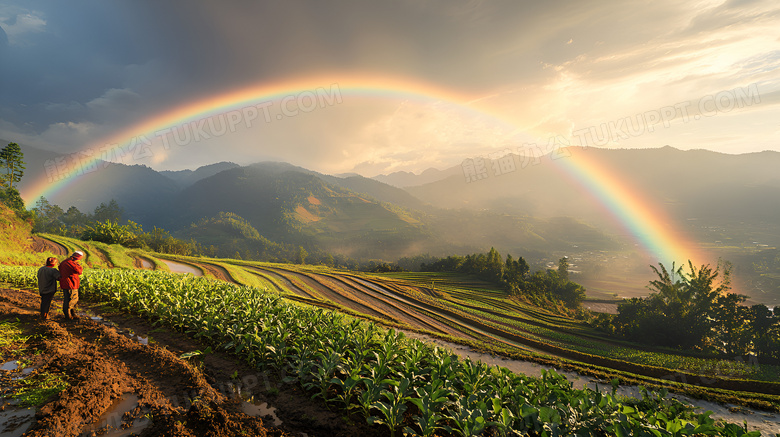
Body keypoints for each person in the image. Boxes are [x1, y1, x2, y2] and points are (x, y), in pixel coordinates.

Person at [59, 251, 84, 320]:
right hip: (71, 284)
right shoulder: (70, 263)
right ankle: (68, 316)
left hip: (66, 284)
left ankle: (71, 314)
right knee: (71, 300)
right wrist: (78, 265)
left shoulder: (65, 262)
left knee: (69, 299)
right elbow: (79, 271)